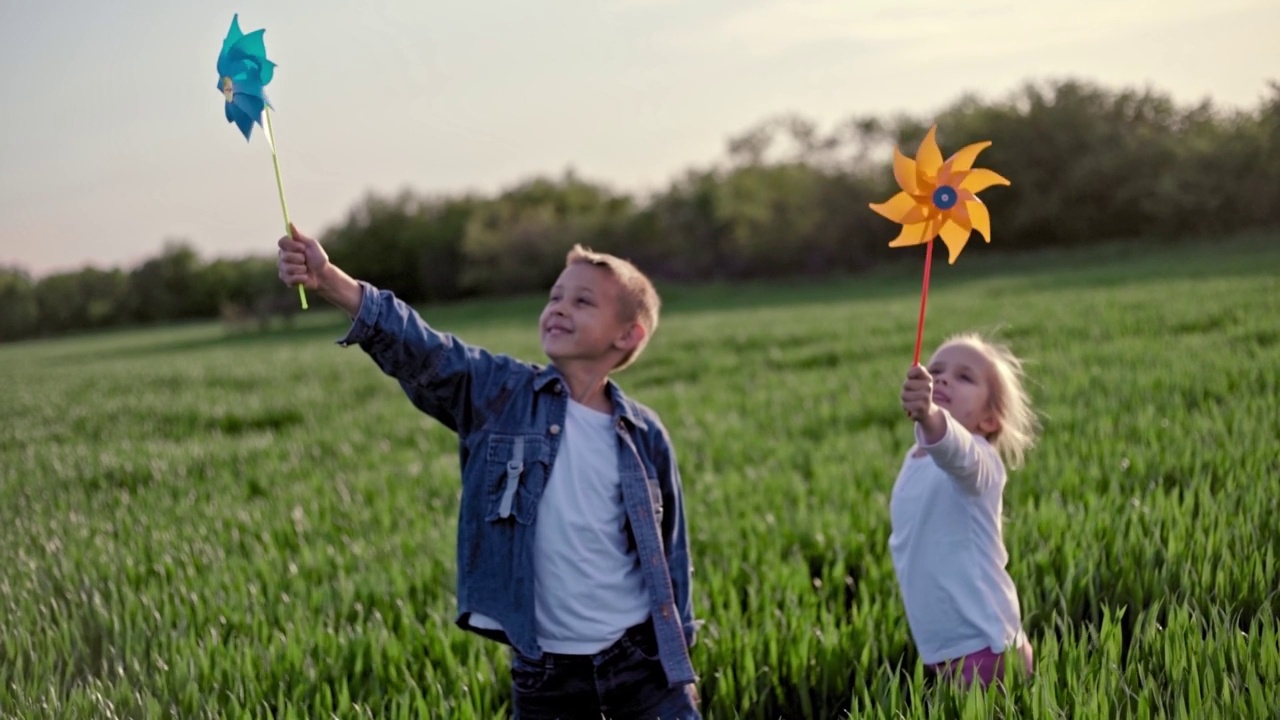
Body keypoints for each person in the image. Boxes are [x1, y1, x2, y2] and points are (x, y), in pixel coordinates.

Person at [276, 225, 702, 719]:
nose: (559, 307)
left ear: (628, 335)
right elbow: (428, 351)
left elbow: (671, 554)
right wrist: (331, 281)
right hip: (546, 674)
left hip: (642, 665)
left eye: (583, 301)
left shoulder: (643, 434)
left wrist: (680, 660)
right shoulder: (502, 395)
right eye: (555, 296)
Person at [889, 331, 1039, 689]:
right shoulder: (915, 457)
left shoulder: (980, 464)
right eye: (936, 369)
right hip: (944, 648)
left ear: (989, 420)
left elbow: (956, 451)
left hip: (986, 649)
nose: (942, 377)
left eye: (964, 377)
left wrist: (930, 415)